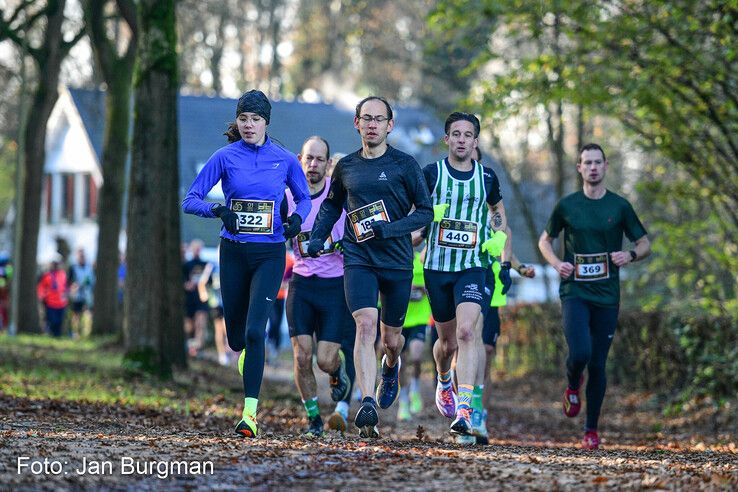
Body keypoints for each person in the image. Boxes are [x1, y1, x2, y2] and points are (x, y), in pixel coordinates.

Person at [182, 89, 311, 438]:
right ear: (236, 122)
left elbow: (304, 199)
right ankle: (245, 353)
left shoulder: (284, 160)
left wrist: (297, 220)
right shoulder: (224, 157)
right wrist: (219, 209)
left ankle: (249, 414)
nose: (249, 125)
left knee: (257, 332)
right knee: (238, 338)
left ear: (266, 121)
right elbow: (189, 200)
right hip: (234, 252)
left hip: (269, 254)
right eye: (243, 119)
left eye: (255, 119)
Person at [308, 96, 434, 438]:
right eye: (367, 118)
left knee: (391, 340)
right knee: (365, 326)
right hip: (359, 259)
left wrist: (390, 229)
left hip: (396, 262)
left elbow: (425, 212)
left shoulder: (405, 164)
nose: (373, 124)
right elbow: (331, 207)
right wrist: (318, 237)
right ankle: (366, 401)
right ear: (357, 123)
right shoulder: (346, 166)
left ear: (390, 126)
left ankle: (390, 366)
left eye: (380, 119)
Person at [538, 143, 650, 450]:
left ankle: (591, 429)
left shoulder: (620, 206)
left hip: (607, 295)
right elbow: (545, 240)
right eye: (587, 163)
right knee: (580, 354)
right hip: (575, 291)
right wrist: (556, 263)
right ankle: (573, 384)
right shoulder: (567, 205)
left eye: (598, 162)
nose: (593, 167)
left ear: (606, 165)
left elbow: (644, 242)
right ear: (579, 168)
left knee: (599, 364)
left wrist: (630, 255)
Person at [420, 112, 508, 437]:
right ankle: (444, 381)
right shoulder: (431, 174)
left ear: (475, 141)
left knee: (468, 333)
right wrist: (428, 216)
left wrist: (496, 234)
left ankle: (466, 408)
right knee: (446, 343)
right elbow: (414, 214)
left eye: (467, 135)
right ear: (447, 140)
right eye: (455, 134)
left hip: (472, 267)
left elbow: (497, 211)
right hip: (437, 268)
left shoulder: (487, 178)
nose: (461, 140)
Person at [285, 136, 354, 437]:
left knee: (325, 360)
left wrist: (341, 244)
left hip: (333, 286)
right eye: (309, 158)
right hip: (301, 284)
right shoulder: (287, 196)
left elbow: (355, 234)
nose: (313, 165)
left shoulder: (338, 197)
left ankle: (338, 373)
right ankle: (313, 418)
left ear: (328, 164)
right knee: (302, 356)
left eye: (319, 160)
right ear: (300, 159)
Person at [397, 247, 431, 421]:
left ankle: (415, 389)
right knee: (401, 362)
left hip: (420, 319)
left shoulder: (422, 261)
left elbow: (433, 284)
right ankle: (403, 402)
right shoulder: (396, 261)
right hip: (400, 320)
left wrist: (419, 288)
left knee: (416, 356)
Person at [182, 239, 211, 357]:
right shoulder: (186, 265)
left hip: (202, 300)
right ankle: (190, 347)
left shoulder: (205, 265)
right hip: (189, 300)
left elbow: (209, 282)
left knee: (201, 324)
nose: (197, 251)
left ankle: (198, 348)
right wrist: (186, 285)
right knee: (189, 326)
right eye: (195, 249)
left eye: (199, 249)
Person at [37, 253, 68, 337]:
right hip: (50, 303)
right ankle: (50, 335)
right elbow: (41, 288)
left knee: (59, 322)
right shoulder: (46, 275)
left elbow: (65, 287)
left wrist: (66, 296)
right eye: (54, 263)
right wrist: (42, 296)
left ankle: (57, 337)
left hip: (61, 303)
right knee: (52, 321)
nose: (55, 265)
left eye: (57, 264)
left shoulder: (63, 274)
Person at [67, 248, 94, 339]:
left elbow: (92, 280)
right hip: (76, 295)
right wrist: (73, 286)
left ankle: (85, 333)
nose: (82, 257)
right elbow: (68, 282)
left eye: (83, 255)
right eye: (80, 256)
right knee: (76, 314)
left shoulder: (89, 267)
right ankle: (75, 333)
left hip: (87, 295)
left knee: (87, 314)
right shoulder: (73, 268)